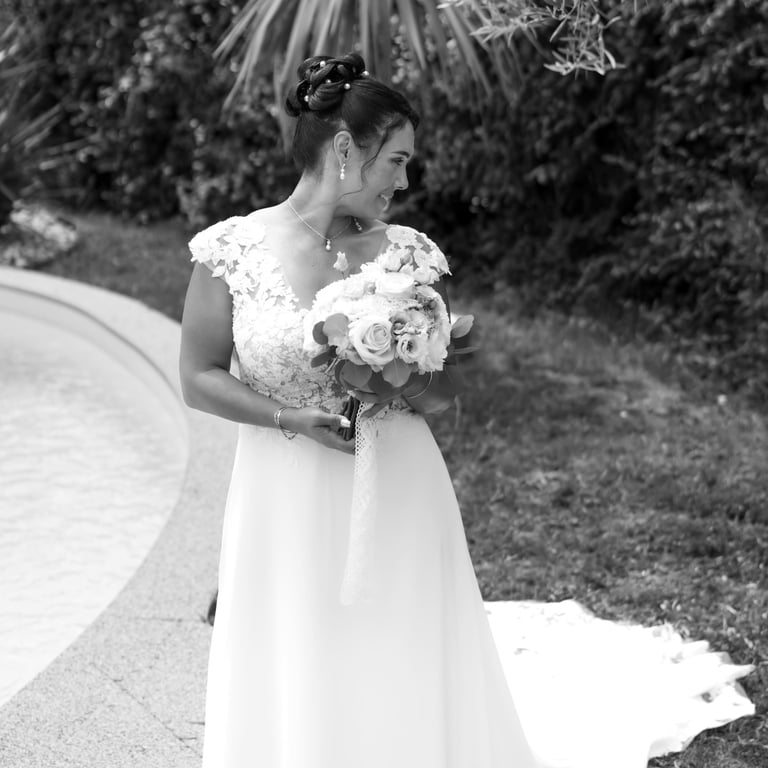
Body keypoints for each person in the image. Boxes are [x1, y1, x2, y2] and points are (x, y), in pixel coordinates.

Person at [179, 53, 754, 768]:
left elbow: (439, 398)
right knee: (294, 642)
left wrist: (408, 360)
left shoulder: (408, 256)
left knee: (402, 639)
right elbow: (197, 376)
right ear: (346, 148)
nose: (404, 181)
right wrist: (288, 417)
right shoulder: (230, 250)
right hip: (281, 491)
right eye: (397, 161)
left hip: (397, 481)